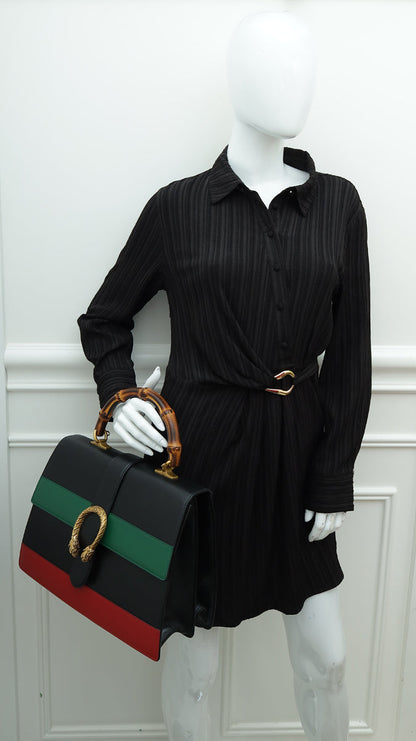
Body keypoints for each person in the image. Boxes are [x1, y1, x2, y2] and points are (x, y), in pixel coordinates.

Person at [77, 11, 371, 740]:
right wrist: (119, 399)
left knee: (328, 659)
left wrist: (334, 472)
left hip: (299, 455)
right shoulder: (178, 207)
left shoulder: (338, 204)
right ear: (235, 80)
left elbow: (351, 353)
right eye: (274, 67)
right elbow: (104, 319)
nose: (294, 85)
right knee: (194, 667)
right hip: (200, 456)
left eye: (304, 68)